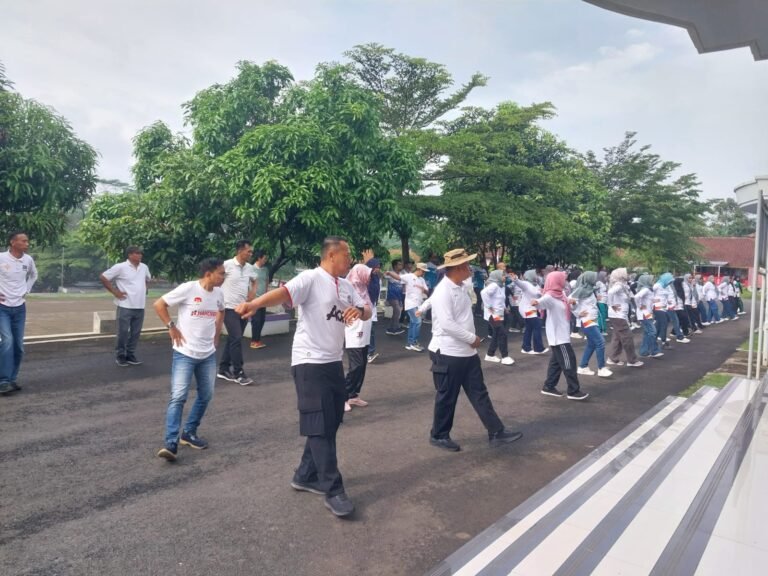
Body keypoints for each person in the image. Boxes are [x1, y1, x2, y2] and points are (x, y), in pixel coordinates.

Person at [236, 237, 371, 518]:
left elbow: (366, 310)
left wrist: (358, 311)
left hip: (334, 361)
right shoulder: (311, 278)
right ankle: (333, 489)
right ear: (332, 255)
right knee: (321, 426)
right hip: (309, 362)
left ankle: (304, 475)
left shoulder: (345, 285)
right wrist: (255, 304)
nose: (350, 260)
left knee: (330, 422)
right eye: (347, 255)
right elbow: (284, 293)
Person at [418, 248, 523, 452]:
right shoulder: (444, 291)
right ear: (458, 268)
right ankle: (439, 435)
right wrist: (471, 339)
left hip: (465, 352)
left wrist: (470, 342)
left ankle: (496, 431)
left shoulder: (459, 284)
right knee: (447, 396)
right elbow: (447, 323)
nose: (470, 269)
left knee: (479, 393)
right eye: (467, 265)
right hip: (448, 352)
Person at [153, 258, 226, 462]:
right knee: (178, 397)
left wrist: (217, 333)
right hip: (185, 352)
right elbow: (159, 304)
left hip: (207, 354)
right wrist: (171, 326)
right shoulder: (188, 289)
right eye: (221, 273)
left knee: (206, 395)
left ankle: (189, 433)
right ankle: (171, 442)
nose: (223, 277)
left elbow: (222, 310)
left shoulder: (219, 293)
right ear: (208, 273)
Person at [531, 271, 589, 400]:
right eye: (563, 279)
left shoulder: (561, 294)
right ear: (557, 281)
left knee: (556, 362)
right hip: (558, 337)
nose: (565, 281)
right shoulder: (550, 297)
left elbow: (567, 304)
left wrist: (575, 307)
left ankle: (549, 386)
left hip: (562, 333)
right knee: (569, 362)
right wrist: (535, 302)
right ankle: (573, 391)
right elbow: (541, 302)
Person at [100, 246, 151, 367]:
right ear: (130, 255)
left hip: (140, 305)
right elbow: (103, 277)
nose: (140, 255)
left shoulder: (144, 267)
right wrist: (115, 292)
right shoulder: (120, 267)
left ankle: (130, 355)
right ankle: (120, 355)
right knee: (122, 332)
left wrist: (144, 288)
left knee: (136, 333)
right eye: (137, 253)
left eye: (140, 253)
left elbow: (148, 279)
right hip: (125, 305)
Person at [0, 231, 38, 395]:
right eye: (23, 241)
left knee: (18, 346)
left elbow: (34, 275)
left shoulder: (28, 260)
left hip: (20, 307)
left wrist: (26, 290)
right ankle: (3, 381)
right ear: (13, 242)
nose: (27, 244)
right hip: (2, 307)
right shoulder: (1, 258)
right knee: (7, 341)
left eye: (27, 241)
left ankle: (12, 379)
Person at [216, 240, 256, 386]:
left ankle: (223, 368)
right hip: (228, 308)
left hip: (243, 308)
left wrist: (252, 293)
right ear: (240, 251)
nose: (251, 254)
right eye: (248, 251)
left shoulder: (250, 268)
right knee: (237, 338)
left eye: (251, 251)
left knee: (233, 339)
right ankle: (239, 372)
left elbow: (254, 281)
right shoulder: (227, 265)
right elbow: (217, 280)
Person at [343, 264, 374, 411]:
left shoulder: (363, 289)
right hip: (353, 331)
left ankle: (353, 395)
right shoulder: (348, 288)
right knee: (356, 365)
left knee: (362, 366)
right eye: (366, 275)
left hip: (365, 331)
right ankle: (342, 396)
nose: (368, 279)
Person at [570, 271, 612, 378]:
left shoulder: (589, 290)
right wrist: (578, 314)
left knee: (592, 344)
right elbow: (570, 302)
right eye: (594, 277)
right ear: (589, 278)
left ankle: (583, 367)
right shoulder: (581, 290)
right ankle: (601, 368)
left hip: (593, 320)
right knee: (600, 342)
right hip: (587, 321)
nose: (596, 279)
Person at [605, 268, 643, 367]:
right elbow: (609, 293)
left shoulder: (623, 285)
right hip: (618, 315)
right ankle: (632, 360)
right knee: (627, 337)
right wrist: (611, 304)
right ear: (620, 275)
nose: (628, 274)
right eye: (626, 273)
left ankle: (613, 358)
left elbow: (630, 296)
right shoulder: (618, 285)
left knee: (618, 338)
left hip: (620, 315)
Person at [480, 270, 514, 365]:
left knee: (497, 334)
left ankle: (490, 354)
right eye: (503, 275)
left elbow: (500, 298)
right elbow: (483, 293)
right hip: (493, 315)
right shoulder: (494, 285)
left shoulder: (500, 286)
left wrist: (504, 308)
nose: (505, 277)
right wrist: (489, 306)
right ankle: (505, 356)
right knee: (502, 333)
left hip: (498, 314)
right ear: (497, 276)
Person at [514, 270, 548, 355]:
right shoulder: (526, 284)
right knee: (537, 326)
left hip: (532, 308)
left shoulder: (536, 285)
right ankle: (538, 348)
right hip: (526, 309)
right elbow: (520, 283)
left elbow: (540, 294)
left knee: (529, 328)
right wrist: (516, 279)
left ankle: (526, 347)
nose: (537, 276)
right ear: (530, 275)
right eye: (535, 274)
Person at [401, 262, 429, 351]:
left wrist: (422, 289)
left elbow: (427, 291)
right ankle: (414, 342)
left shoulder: (422, 280)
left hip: (418, 303)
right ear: (419, 269)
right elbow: (399, 278)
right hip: (411, 303)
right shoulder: (409, 276)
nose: (424, 273)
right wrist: (389, 273)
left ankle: (410, 343)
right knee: (417, 322)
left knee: (414, 323)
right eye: (423, 271)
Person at [634, 274, 664, 358]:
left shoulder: (649, 289)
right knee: (652, 332)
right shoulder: (646, 289)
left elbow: (646, 299)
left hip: (647, 313)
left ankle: (644, 351)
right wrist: (639, 305)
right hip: (644, 313)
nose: (653, 282)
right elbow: (637, 297)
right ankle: (654, 351)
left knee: (648, 333)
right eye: (652, 280)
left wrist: (654, 300)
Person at [249, 249, 270, 349]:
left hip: (263, 299)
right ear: (259, 258)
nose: (266, 260)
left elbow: (266, 282)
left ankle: (257, 340)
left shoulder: (265, 270)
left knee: (262, 320)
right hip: (255, 299)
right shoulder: (251, 269)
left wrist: (266, 295)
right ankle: (254, 341)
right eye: (264, 258)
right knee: (256, 320)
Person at [366, 258, 382, 363]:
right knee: (369, 330)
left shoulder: (376, 277)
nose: (378, 269)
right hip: (366, 306)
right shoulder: (365, 277)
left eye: (378, 267)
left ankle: (369, 352)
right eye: (376, 267)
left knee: (371, 329)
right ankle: (369, 353)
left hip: (372, 305)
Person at [384, 259, 405, 336]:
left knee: (396, 312)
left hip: (399, 296)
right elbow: (384, 276)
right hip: (392, 295)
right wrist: (387, 272)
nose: (401, 266)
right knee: (397, 311)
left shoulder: (402, 274)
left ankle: (390, 328)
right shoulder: (391, 273)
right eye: (399, 264)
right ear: (395, 266)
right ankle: (395, 329)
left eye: (401, 264)